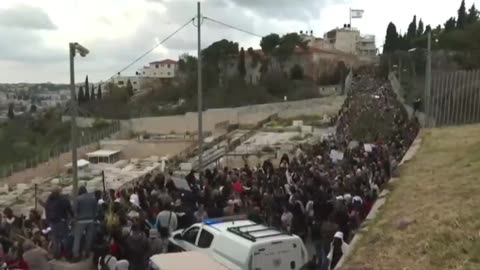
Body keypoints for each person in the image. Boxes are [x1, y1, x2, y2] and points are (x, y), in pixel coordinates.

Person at [45, 188, 73, 259]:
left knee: (56, 240)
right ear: (59, 193)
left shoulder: (49, 201)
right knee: (65, 238)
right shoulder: (62, 200)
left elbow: (47, 211)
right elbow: (69, 208)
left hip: (52, 223)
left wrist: (49, 221)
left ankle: (57, 255)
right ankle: (68, 255)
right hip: (61, 221)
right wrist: (72, 216)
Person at [72, 186, 98, 261]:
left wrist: (76, 218)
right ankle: (87, 253)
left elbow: (74, 209)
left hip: (80, 220)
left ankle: (76, 255)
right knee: (89, 237)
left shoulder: (78, 199)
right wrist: (93, 217)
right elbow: (96, 209)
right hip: (90, 220)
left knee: (77, 237)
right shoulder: (93, 198)